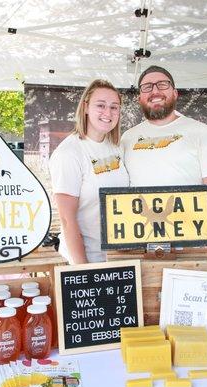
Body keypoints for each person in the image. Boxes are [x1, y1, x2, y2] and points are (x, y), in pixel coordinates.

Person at [120, 65, 207, 255]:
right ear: (139, 98)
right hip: (141, 247)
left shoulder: (201, 132)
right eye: (147, 87)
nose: (155, 90)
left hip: (190, 248)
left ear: (175, 93)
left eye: (162, 85)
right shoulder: (127, 138)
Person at [48, 80, 129, 264]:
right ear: (85, 107)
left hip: (115, 257)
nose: (108, 113)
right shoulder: (69, 153)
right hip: (85, 259)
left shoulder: (116, 147)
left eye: (114, 107)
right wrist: (83, 270)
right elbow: (67, 220)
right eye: (100, 105)